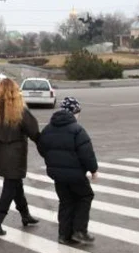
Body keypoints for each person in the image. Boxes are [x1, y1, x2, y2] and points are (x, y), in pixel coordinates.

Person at [37, 97, 98, 245]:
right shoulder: (77, 130)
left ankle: (64, 235)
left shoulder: (48, 128)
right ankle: (79, 231)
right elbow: (86, 153)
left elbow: (42, 148)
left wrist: (53, 161)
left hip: (58, 176)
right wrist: (93, 169)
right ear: (74, 112)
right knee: (85, 196)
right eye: (78, 112)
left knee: (66, 202)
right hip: (76, 175)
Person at [0, 78, 40, 236]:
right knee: (10, 186)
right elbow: (34, 132)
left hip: (0, 153)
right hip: (16, 154)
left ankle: (25, 215)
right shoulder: (20, 109)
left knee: (15, 184)